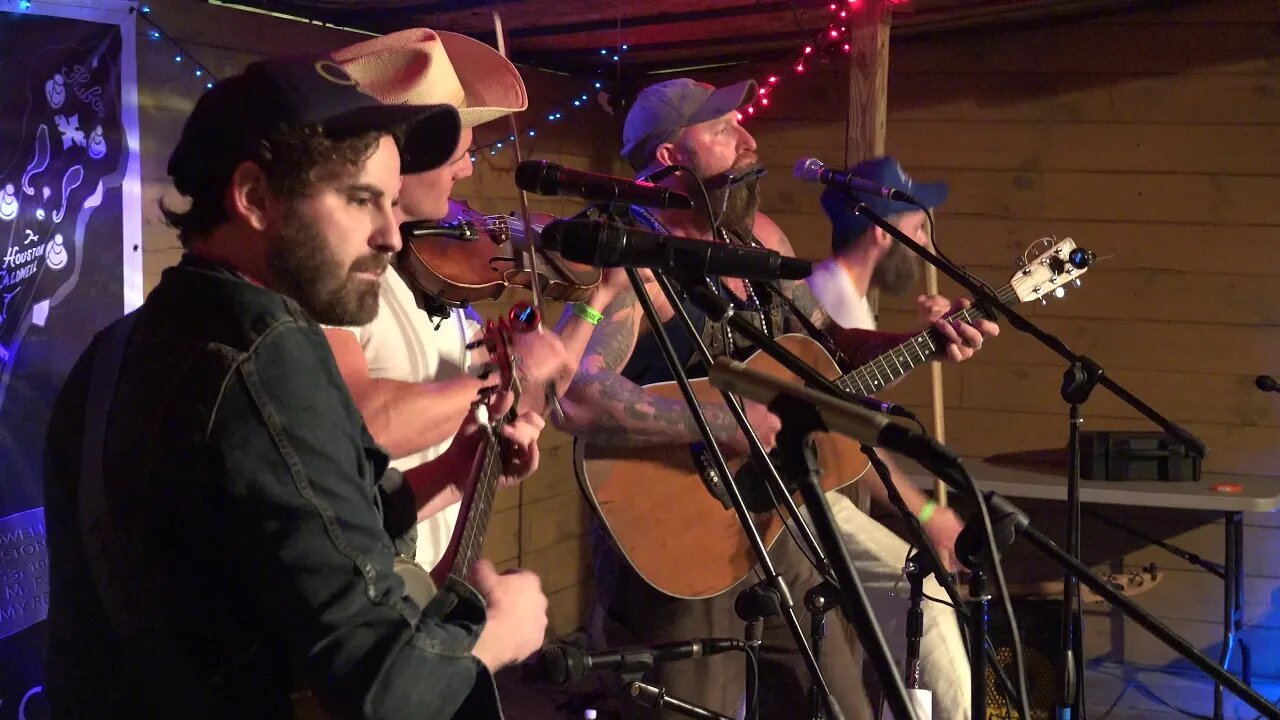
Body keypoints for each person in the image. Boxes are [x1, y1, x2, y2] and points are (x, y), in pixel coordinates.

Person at [43, 56, 543, 719]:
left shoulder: (119, 349)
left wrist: (457, 468)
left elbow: (315, 529)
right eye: (362, 200)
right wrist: (498, 634)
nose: (392, 236)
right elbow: (381, 688)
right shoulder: (267, 355)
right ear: (254, 197)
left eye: (392, 204)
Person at [555, 77, 999, 719]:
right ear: (671, 159)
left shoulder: (760, 240)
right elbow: (577, 395)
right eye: (722, 129)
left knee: (836, 705)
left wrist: (922, 341)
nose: (748, 139)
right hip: (674, 538)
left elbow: (824, 346)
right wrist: (720, 422)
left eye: (742, 122)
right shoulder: (636, 256)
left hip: (773, 521)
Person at [325, 28, 629, 572]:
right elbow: (357, 428)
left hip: (410, 571)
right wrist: (490, 383)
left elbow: (534, 396)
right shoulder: (332, 283)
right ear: (396, 161)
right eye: (456, 154)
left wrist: (596, 299)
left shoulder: (438, 287)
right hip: (350, 582)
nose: (467, 171)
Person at [807, 156, 983, 720]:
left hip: (828, 493)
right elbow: (841, 436)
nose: (928, 243)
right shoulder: (827, 296)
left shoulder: (847, 298)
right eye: (920, 228)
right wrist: (928, 512)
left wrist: (919, 336)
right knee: (922, 600)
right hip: (802, 498)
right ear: (884, 232)